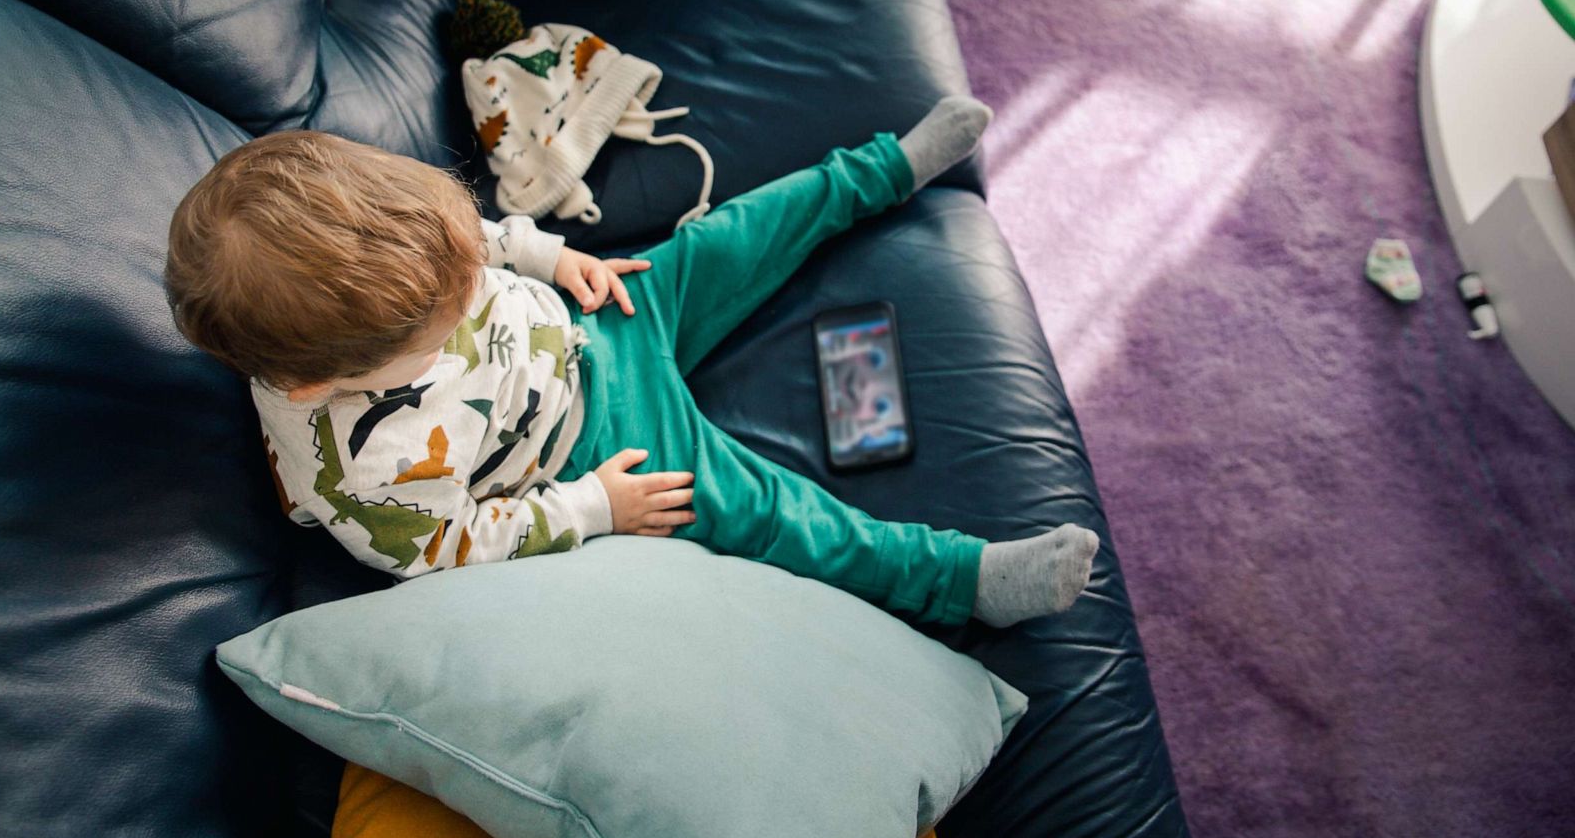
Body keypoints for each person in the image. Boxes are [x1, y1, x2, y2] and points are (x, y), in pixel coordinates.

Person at [164, 97, 1097, 628]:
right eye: (444, 320)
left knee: (732, 238)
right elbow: (452, 549)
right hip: (597, 444)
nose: (466, 283)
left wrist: (544, 257)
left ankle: (880, 170)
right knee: (772, 513)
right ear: (323, 387)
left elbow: (469, 242)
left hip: (589, 312)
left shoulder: (403, 255)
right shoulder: (370, 476)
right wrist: (590, 509)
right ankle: (962, 580)